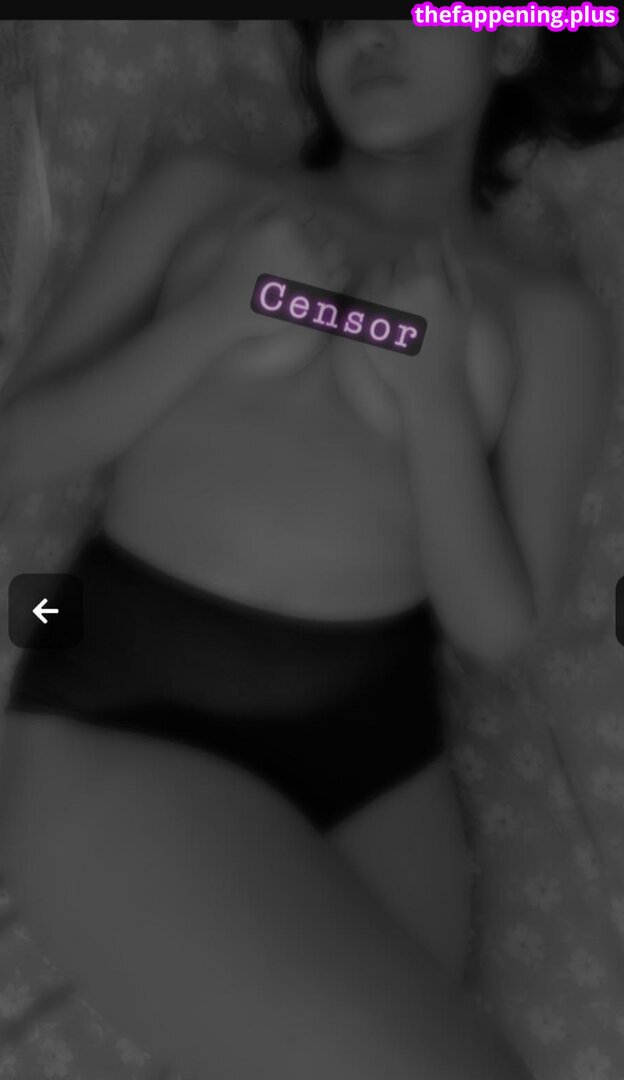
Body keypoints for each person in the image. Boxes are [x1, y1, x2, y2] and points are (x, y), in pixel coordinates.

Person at [0, 17, 621, 1080]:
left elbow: (499, 628)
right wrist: (215, 318)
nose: (367, 36)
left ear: (514, 43)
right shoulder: (208, 195)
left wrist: (433, 398)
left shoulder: (545, 313)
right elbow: (18, 449)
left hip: (376, 762)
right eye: (339, 16)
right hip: (127, 715)